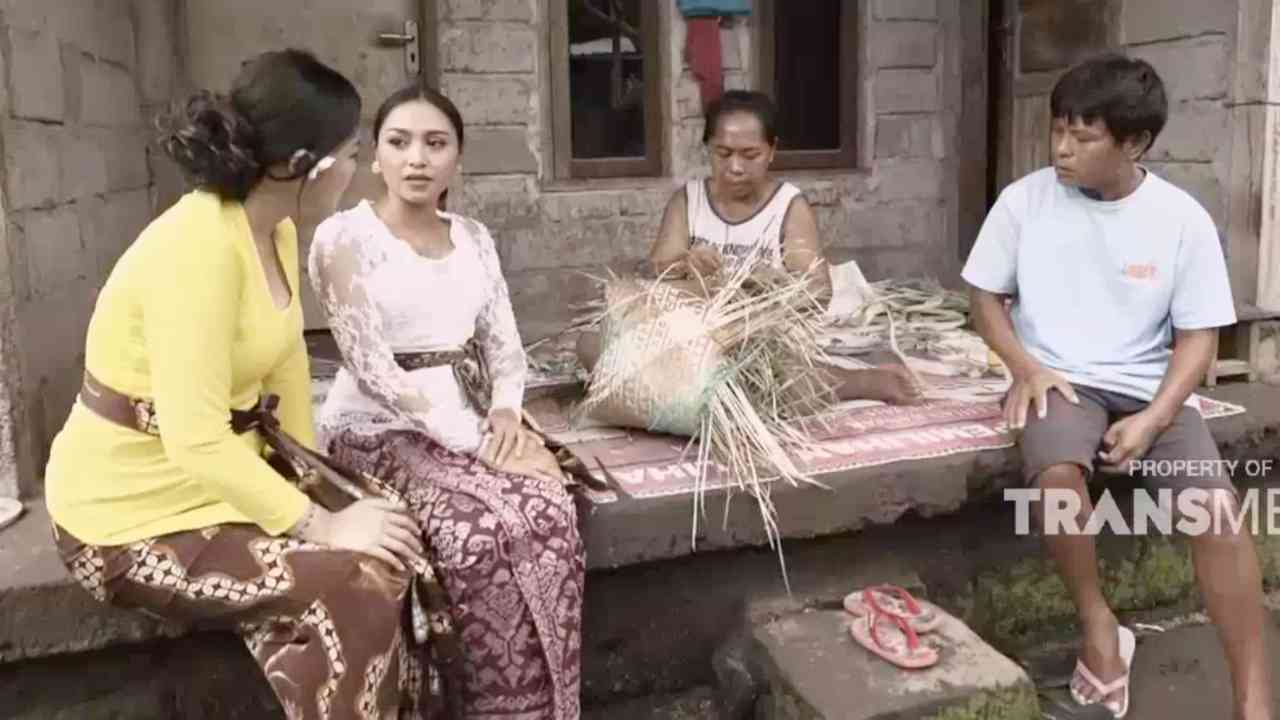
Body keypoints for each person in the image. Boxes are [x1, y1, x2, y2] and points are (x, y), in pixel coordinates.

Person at [44, 49, 431, 717]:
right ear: (305, 167)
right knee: (352, 580)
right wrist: (319, 526)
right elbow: (196, 441)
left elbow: (285, 378)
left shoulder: (274, 230)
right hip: (125, 522)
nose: (359, 170)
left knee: (398, 535)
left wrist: (326, 494)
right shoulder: (197, 252)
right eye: (350, 153)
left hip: (213, 492)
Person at [964, 54, 1271, 720]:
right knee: (1055, 480)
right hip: (1061, 382)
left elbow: (1198, 339)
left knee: (1216, 513)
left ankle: (1254, 697)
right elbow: (984, 295)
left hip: (1148, 387)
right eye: (1058, 131)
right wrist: (1025, 366)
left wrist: (1156, 419)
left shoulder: (1181, 219)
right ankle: (1101, 629)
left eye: (1082, 136)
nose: (1061, 150)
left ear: (1133, 142)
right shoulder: (1025, 201)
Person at [308, 84, 584, 720]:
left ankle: (545, 709)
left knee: (549, 504)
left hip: (469, 413)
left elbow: (506, 350)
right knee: (475, 533)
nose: (417, 159)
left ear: (457, 157)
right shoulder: (343, 238)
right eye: (399, 142)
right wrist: (481, 450)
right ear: (375, 155)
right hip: (378, 427)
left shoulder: (476, 239)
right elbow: (375, 369)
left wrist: (508, 416)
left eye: (436, 144)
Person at [577, 90, 922, 405]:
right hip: (690, 338)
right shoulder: (689, 201)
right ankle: (709, 392)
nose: (735, 167)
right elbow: (652, 274)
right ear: (707, 149)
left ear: (772, 150)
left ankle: (856, 382)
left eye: (750, 154)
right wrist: (683, 265)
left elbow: (817, 292)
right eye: (723, 153)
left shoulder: (788, 205)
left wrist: (763, 287)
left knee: (772, 377)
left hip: (760, 342)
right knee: (590, 346)